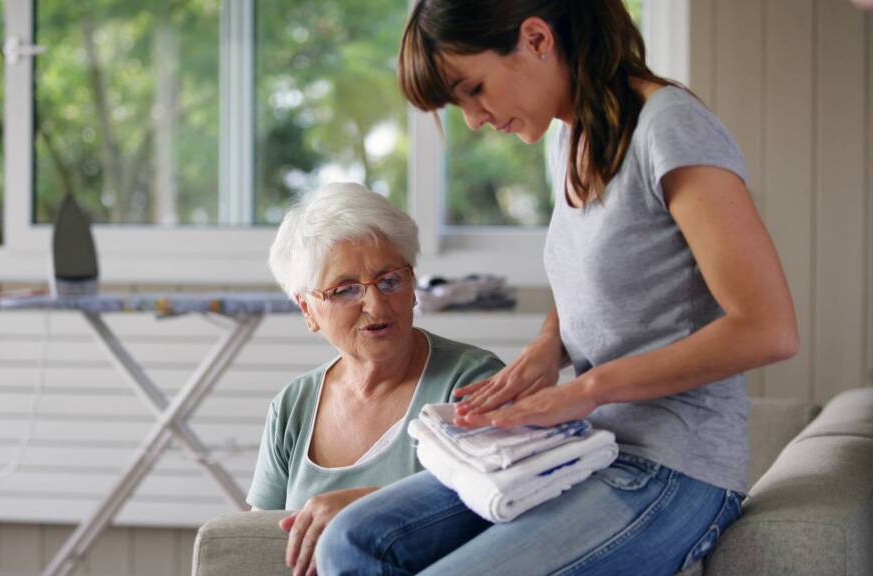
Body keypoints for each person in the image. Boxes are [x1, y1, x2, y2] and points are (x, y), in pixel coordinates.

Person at [316, 1, 799, 575]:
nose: (473, 119)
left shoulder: (668, 126)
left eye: (473, 89)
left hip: (672, 470)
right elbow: (602, 275)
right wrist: (549, 347)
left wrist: (588, 389)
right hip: (583, 449)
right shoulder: (566, 140)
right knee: (351, 542)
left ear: (537, 39)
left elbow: (768, 329)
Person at [249, 182, 505, 576]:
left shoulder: (471, 382)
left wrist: (369, 511)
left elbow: (500, 519)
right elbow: (258, 547)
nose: (376, 304)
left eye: (390, 281)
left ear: (413, 285)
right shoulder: (293, 406)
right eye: (346, 290)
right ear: (308, 310)